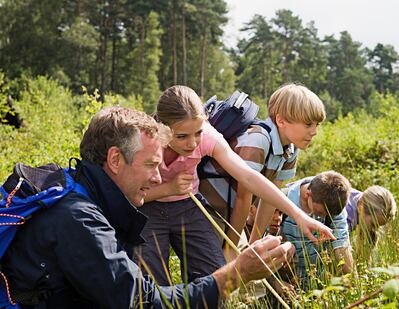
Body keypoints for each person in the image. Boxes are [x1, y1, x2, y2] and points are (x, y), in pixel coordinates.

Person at [1, 106, 296, 308]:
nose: (158, 177)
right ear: (115, 160)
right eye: (151, 165)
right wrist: (236, 274)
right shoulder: (78, 220)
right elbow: (144, 303)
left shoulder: (79, 188)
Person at [137, 85, 334, 286]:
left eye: (197, 133)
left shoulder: (207, 136)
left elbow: (248, 177)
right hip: (148, 207)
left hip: (189, 205)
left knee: (215, 275)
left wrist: (299, 216)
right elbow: (128, 193)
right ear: (162, 128)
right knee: (151, 281)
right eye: (182, 137)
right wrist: (168, 189)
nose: (193, 143)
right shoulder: (145, 142)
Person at [198, 83, 326, 252]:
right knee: (220, 267)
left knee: (247, 268)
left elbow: (269, 201)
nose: (314, 131)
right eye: (308, 124)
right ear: (281, 121)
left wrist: (254, 246)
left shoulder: (290, 150)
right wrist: (231, 249)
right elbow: (243, 198)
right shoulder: (258, 140)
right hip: (209, 208)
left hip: (230, 212)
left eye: (317, 124)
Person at [280, 171, 353, 286]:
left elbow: (342, 247)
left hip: (319, 283)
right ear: (308, 194)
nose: (322, 218)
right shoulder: (282, 200)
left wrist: (354, 286)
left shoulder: (334, 202)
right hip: (288, 282)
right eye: (319, 213)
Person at [346, 185, 396, 257]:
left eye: (378, 226)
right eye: (373, 224)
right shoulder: (346, 215)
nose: (373, 229)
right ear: (361, 207)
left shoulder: (362, 199)